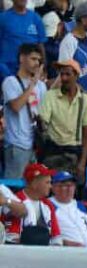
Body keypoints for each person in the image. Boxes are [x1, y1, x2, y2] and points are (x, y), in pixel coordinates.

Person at [38, 59, 87, 182]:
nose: (63, 78)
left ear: (76, 76)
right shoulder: (50, 96)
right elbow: (42, 123)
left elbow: (86, 134)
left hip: (74, 154)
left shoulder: (85, 100)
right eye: (61, 74)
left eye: (68, 74)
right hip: (52, 152)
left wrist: (82, 164)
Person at [3, 43, 47, 178]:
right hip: (17, 144)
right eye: (33, 59)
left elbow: (42, 112)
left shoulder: (41, 86)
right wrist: (32, 84)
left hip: (34, 143)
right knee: (13, 186)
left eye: (39, 60)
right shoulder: (11, 82)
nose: (36, 63)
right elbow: (16, 106)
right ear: (22, 58)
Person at [6, 163, 62, 246]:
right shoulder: (15, 202)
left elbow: (56, 237)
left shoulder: (48, 204)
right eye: (47, 182)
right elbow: (12, 239)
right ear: (34, 184)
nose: (50, 186)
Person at [0, 0, 45, 75]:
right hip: (7, 69)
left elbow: (41, 45)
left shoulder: (36, 18)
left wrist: (42, 66)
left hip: (30, 69)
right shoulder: (2, 18)